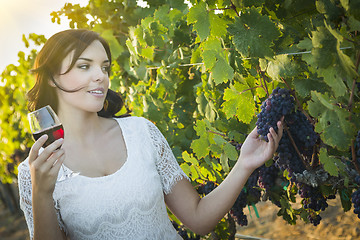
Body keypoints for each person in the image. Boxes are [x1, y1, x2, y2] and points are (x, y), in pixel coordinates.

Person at [17, 29, 283, 240]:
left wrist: (245, 163)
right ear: (52, 77)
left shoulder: (141, 132)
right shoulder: (35, 171)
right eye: (85, 66)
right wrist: (41, 194)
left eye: (105, 67)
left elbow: (199, 219)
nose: (100, 76)